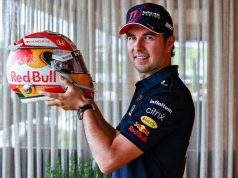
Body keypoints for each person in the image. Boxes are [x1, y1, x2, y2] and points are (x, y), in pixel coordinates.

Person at [40, 3, 195, 178]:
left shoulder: (167, 96)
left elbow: (108, 161)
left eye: (148, 37)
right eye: (131, 37)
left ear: (169, 43)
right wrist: (86, 101)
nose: (137, 46)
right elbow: (116, 138)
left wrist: (83, 106)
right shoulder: (152, 88)